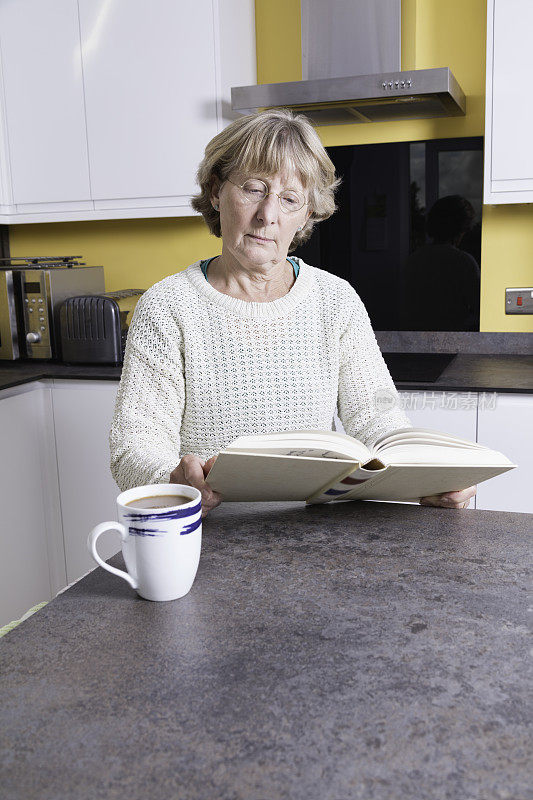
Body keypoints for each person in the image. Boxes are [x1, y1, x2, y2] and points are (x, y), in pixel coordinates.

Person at [109, 109, 476, 515]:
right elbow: (133, 451)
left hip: (316, 538)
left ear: (307, 213)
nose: (268, 215)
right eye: (253, 188)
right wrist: (173, 481)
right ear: (216, 191)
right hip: (206, 533)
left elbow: (378, 422)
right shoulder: (166, 307)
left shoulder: (336, 300)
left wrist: (426, 477)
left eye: (289, 199)